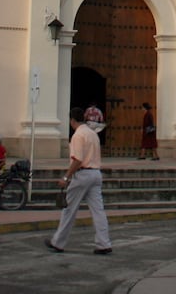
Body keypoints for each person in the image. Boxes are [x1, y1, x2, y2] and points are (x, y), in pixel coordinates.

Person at [47, 107, 112, 255]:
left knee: (68, 209)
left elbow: (77, 160)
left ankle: (58, 242)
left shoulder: (78, 135)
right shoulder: (92, 134)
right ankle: (104, 243)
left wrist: (66, 177)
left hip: (82, 175)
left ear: (71, 120)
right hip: (96, 173)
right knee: (98, 211)